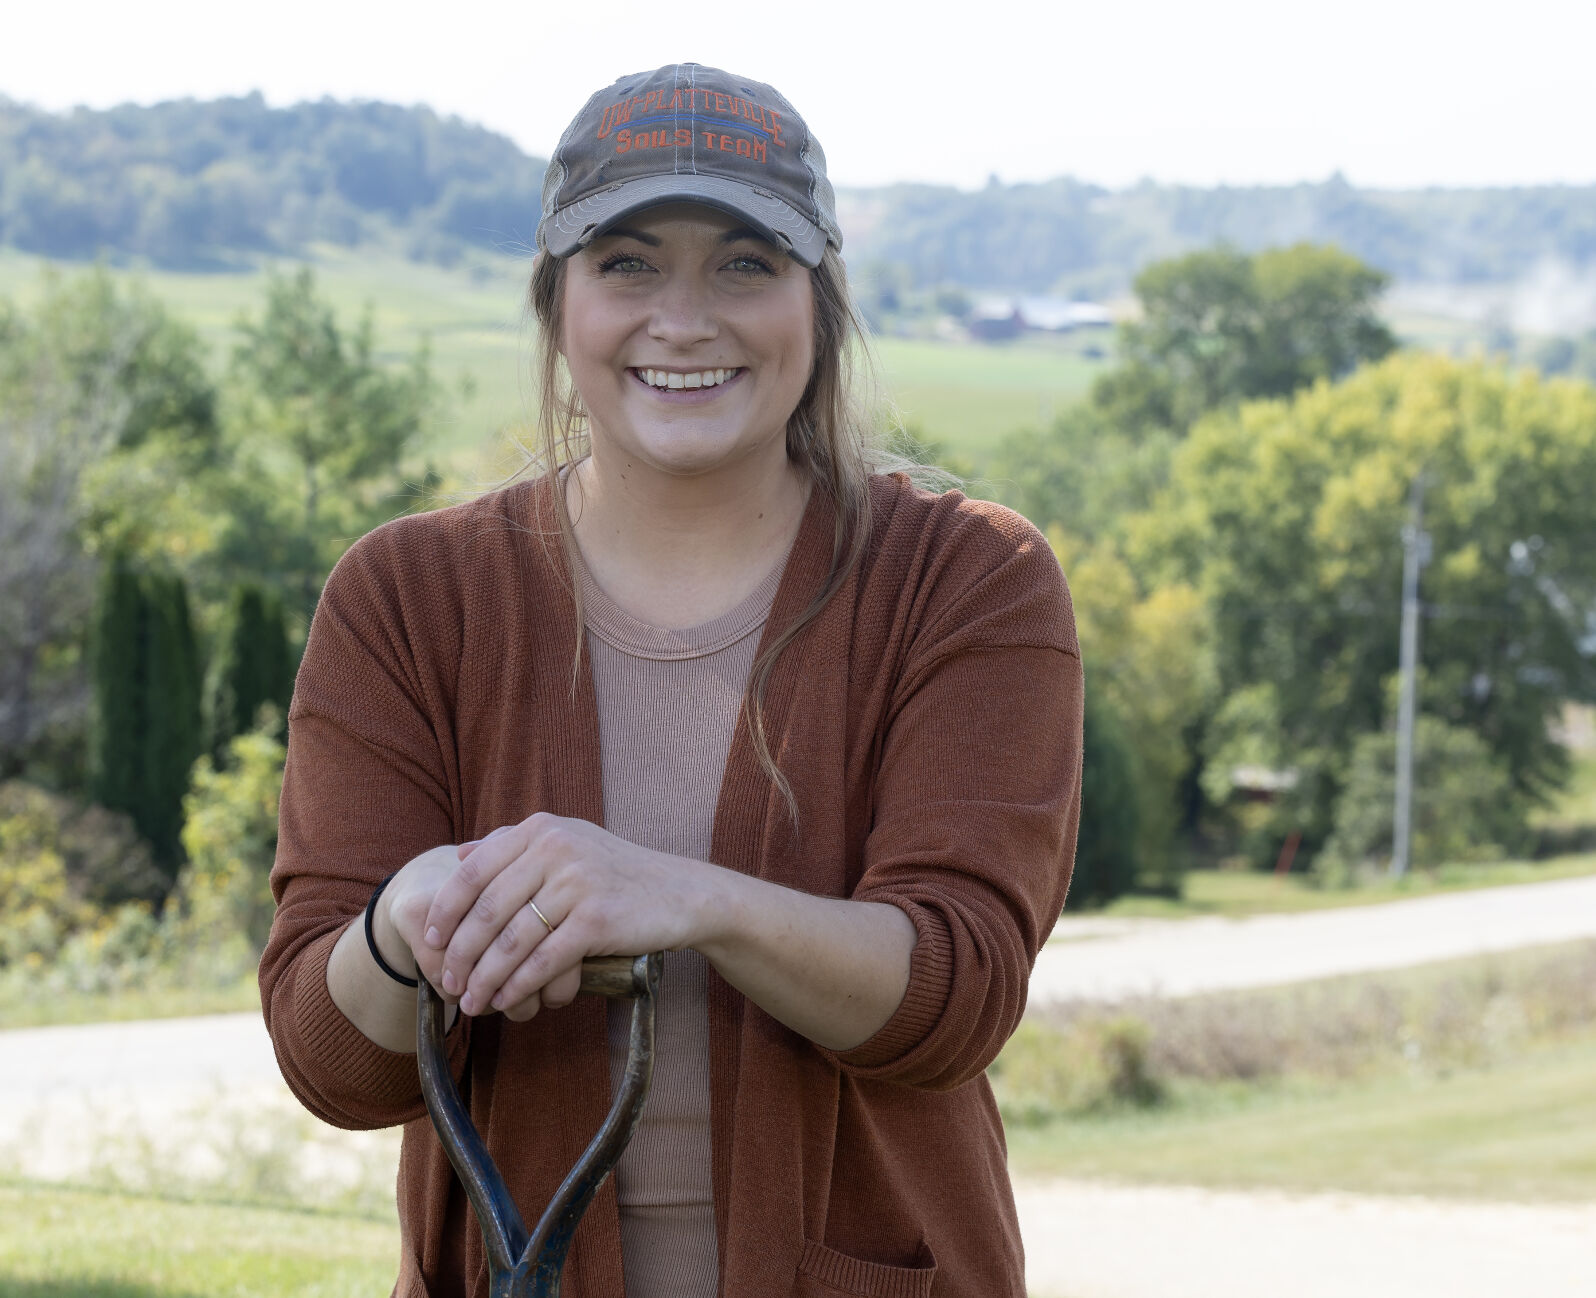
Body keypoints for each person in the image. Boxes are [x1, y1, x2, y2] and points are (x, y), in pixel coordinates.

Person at [259, 62, 1083, 1298]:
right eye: (628, 263)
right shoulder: (406, 600)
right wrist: (414, 918)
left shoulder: (965, 582)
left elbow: (954, 995)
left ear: (821, 299)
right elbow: (334, 1066)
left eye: (745, 263)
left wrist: (686, 899)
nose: (684, 318)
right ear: (558, 303)